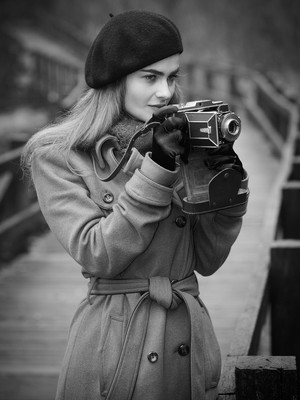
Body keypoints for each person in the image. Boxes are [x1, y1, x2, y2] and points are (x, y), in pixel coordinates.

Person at [22, 10, 248, 400]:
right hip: (115, 346)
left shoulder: (183, 139)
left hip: (187, 340)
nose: (165, 91)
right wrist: (157, 169)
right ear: (114, 81)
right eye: (150, 77)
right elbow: (97, 255)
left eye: (171, 76)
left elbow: (207, 260)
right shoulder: (57, 155)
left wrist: (227, 195)